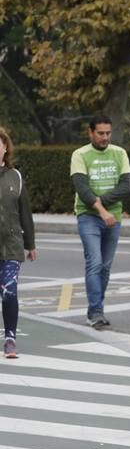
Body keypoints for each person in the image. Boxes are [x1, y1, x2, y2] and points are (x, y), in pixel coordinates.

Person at [70, 116, 130, 329]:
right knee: (94, 263)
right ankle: (96, 311)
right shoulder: (80, 155)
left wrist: (102, 204)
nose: (105, 137)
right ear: (91, 133)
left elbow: (126, 186)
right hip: (88, 217)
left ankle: (96, 309)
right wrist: (100, 209)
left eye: (108, 133)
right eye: (100, 133)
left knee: (105, 267)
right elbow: (82, 189)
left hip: (113, 217)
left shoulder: (119, 153)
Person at [0, 127, 36, 359]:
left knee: (9, 291)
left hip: (11, 244)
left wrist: (30, 244)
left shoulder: (16, 176)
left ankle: (10, 338)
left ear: (5, 148)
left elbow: (25, 212)